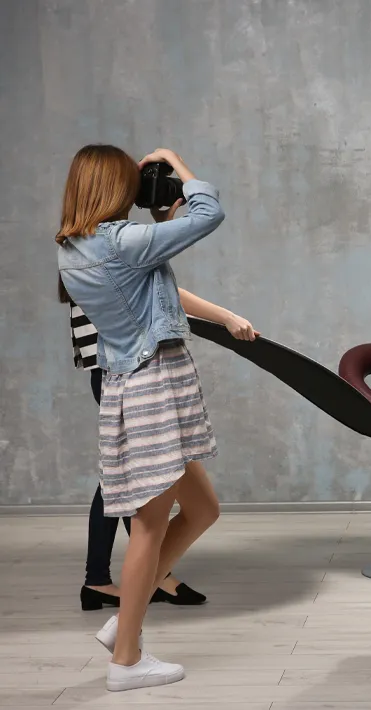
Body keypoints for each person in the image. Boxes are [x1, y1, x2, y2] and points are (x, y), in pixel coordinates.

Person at [57, 144, 256, 692]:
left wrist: (162, 221)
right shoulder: (119, 242)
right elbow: (209, 213)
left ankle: (124, 621)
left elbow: (155, 287)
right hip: (153, 386)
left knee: (202, 508)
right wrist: (176, 160)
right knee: (149, 526)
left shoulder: (75, 249)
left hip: (136, 384)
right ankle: (126, 661)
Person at [67, 297, 223, 610]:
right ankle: (143, 576)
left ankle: (111, 578)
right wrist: (226, 318)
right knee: (137, 477)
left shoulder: (82, 257)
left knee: (128, 476)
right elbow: (155, 296)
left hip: (115, 368)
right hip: (122, 370)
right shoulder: (95, 257)